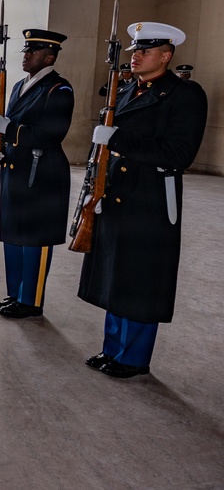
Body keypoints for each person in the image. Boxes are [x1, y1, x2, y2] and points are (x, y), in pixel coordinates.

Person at [78, 21, 207, 378]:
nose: (135, 57)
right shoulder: (125, 91)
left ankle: (133, 358)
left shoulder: (185, 95)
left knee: (141, 279)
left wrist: (118, 139)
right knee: (117, 275)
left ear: (166, 56)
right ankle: (112, 349)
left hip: (149, 197)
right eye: (135, 51)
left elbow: (179, 154)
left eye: (144, 51)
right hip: (118, 191)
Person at [0, 29, 74, 317]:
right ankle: (15, 294)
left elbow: (52, 134)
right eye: (25, 51)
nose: (25, 55)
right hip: (17, 168)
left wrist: (9, 129)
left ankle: (31, 301)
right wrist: (0, 153)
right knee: (13, 234)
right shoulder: (18, 86)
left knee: (35, 238)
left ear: (49, 57)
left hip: (42, 173)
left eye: (32, 52)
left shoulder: (59, 89)